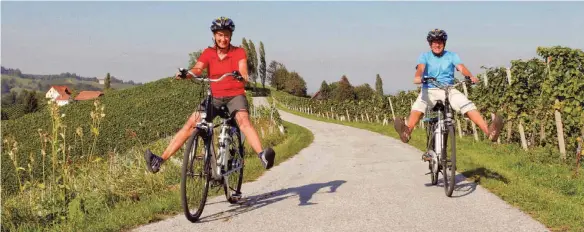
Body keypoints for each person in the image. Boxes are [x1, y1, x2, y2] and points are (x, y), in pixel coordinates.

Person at [144, 16, 276, 173]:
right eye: (220, 35)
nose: (223, 38)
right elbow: (198, 68)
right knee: (191, 123)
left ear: (230, 36)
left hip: (235, 96)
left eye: (226, 35)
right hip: (214, 97)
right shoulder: (208, 53)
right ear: (214, 36)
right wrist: (187, 74)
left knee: (243, 121)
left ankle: (262, 155)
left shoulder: (238, 52)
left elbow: (243, 71)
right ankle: (160, 160)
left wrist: (241, 76)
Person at [394, 29, 504, 161]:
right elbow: (420, 69)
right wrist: (418, 78)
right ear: (430, 44)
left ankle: (489, 131)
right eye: (434, 42)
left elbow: (461, 68)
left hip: (448, 89)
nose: (437, 44)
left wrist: (470, 76)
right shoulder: (424, 56)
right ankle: (406, 131)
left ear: (444, 43)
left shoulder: (452, 56)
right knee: (420, 105)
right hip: (429, 88)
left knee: (466, 104)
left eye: (440, 42)